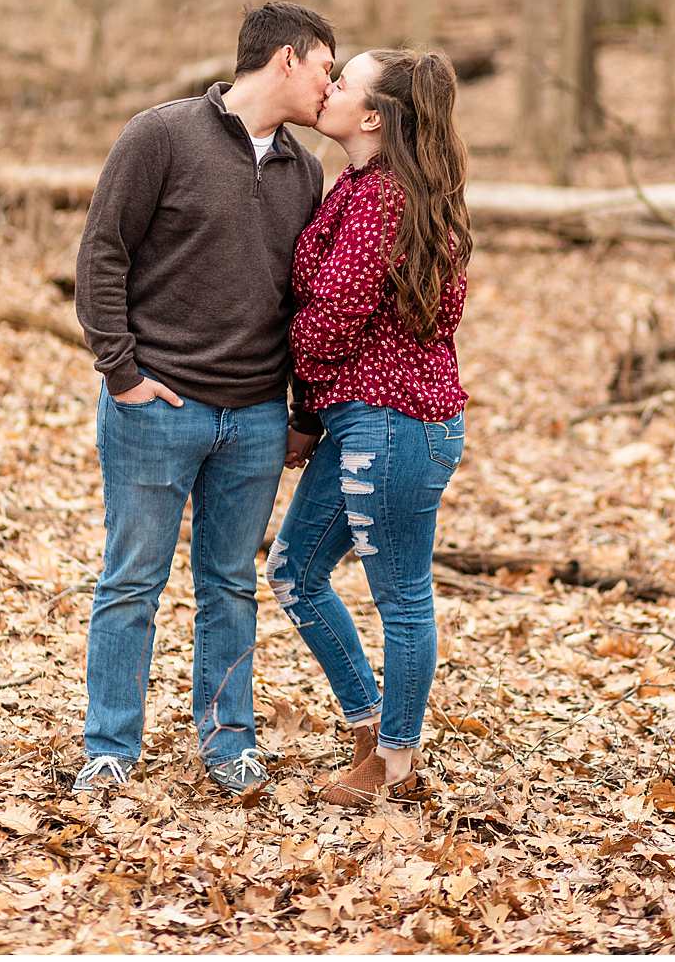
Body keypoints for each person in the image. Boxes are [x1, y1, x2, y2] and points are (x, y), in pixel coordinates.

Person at [71, 2, 335, 800]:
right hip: (158, 406)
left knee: (230, 585)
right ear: (286, 60)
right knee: (131, 582)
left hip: (254, 417)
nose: (332, 83)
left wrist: (299, 413)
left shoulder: (305, 170)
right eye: (327, 65)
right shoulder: (161, 135)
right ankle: (110, 747)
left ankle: (230, 745)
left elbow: (303, 302)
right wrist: (120, 373)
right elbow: (102, 253)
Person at [265, 48, 471, 807]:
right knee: (293, 571)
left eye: (343, 82)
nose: (330, 89)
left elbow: (334, 317)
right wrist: (314, 410)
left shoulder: (384, 198)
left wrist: (292, 387)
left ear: (376, 116)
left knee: (403, 599)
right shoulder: (360, 187)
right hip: (363, 420)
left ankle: (396, 765)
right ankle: (370, 725)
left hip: (395, 426)